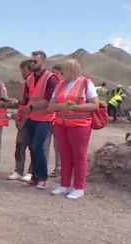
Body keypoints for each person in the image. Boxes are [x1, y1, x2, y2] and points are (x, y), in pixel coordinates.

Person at [48, 58, 99, 200]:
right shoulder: (60, 85)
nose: (62, 72)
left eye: (65, 69)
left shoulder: (86, 83)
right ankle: (64, 184)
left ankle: (79, 187)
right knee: (65, 155)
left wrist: (74, 107)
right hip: (60, 124)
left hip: (80, 125)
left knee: (79, 155)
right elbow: (51, 106)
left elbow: (94, 104)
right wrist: (62, 106)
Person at [18, 50, 59, 190]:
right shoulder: (30, 79)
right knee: (32, 148)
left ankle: (42, 177)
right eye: (31, 61)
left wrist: (31, 107)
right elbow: (26, 97)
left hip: (45, 119)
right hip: (32, 118)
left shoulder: (51, 78)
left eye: (35, 61)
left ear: (43, 62)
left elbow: (48, 100)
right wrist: (15, 102)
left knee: (38, 147)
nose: (32, 63)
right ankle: (35, 177)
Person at [7, 59, 33, 182]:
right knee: (20, 145)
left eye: (25, 71)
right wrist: (18, 117)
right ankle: (19, 170)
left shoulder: (34, 84)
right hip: (22, 117)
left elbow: (30, 103)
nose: (23, 74)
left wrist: (24, 119)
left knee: (33, 147)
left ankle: (31, 172)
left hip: (31, 119)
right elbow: (22, 104)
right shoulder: (24, 84)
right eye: (21, 71)